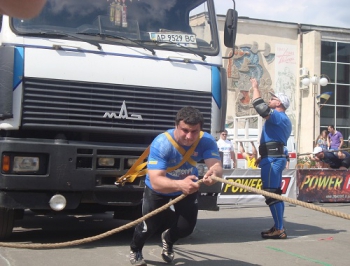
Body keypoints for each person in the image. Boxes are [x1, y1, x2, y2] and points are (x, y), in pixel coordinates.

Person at [129, 106, 223, 266]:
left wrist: (213, 175)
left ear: (200, 129)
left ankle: (168, 239)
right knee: (148, 227)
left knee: (186, 228)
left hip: (187, 187)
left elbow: (217, 167)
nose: (189, 136)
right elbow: (157, 180)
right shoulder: (162, 143)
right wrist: (180, 185)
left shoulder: (206, 140)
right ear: (176, 126)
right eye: (185, 130)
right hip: (159, 189)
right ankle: (135, 249)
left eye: (194, 131)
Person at [251, 78, 292, 239]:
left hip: (273, 159)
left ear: (280, 103)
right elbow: (274, 140)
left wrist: (255, 87)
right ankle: (278, 226)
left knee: (271, 193)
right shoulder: (282, 119)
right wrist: (263, 156)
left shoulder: (279, 116)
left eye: (273, 99)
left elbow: (259, 106)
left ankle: (280, 228)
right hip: (272, 157)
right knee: (274, 193)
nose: (270, 100)